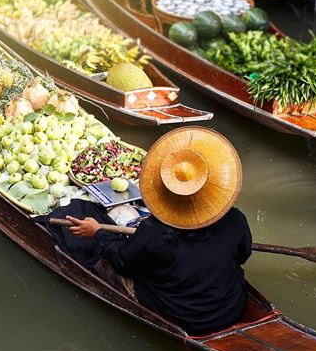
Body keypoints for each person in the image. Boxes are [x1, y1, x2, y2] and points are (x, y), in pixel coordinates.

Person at [61, 127, 250, 335]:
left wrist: (97, 232)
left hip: (181, 316)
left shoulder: (154, 232)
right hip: (231, 308)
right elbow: (243, 255)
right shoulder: (235, 219)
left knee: (99, 251)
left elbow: (122, 262)